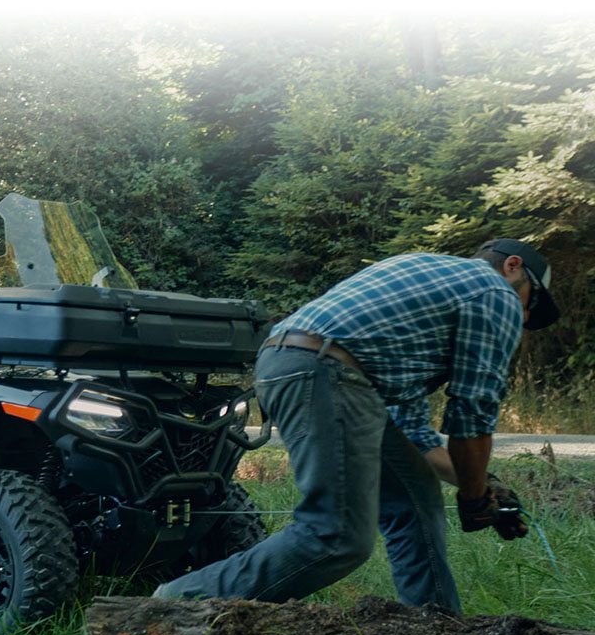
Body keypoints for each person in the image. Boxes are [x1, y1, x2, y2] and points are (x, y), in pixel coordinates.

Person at [153, 239, 559, 612]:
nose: (523, 319)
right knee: (336, 535)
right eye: (530, 305)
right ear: (512, 266)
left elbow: (417, 437)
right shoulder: (494, 293)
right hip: (326, 370)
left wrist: (486, 486)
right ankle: (176, 605)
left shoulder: (428, 286)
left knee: (415, 493)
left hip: (298, 362)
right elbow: (473, 414)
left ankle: (436, 626)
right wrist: (473, 499)